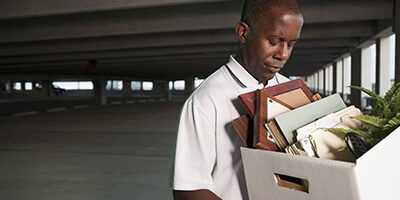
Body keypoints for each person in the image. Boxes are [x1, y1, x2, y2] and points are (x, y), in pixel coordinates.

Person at [170, 0, 304, 199]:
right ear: (243, 32)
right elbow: (188, 191)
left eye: (291, 45)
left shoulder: (292, 91)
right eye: (274, 41)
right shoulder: (206, 101)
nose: (283, 55)